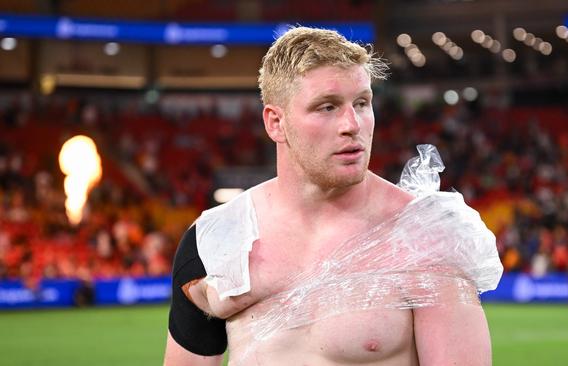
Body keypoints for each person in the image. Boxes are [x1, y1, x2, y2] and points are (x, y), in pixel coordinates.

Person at [164, 26, 494, 365]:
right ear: (275, 123)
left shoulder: (424, 240)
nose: (352, 123)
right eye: (327, 107)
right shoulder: (214, 239)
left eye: (362, 103)